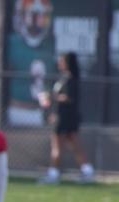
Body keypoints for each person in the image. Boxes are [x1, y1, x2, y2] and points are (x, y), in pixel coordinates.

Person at [40, 52, 94, 184]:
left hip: (65, 118)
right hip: (63, 116)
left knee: (57, 146)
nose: (60, 63)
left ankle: (53, 175)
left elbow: (68, 98)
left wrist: (51, 97)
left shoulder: (70, 79)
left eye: (62, 61)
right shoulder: (64, 78)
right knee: (74, 146)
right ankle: (87, 170)